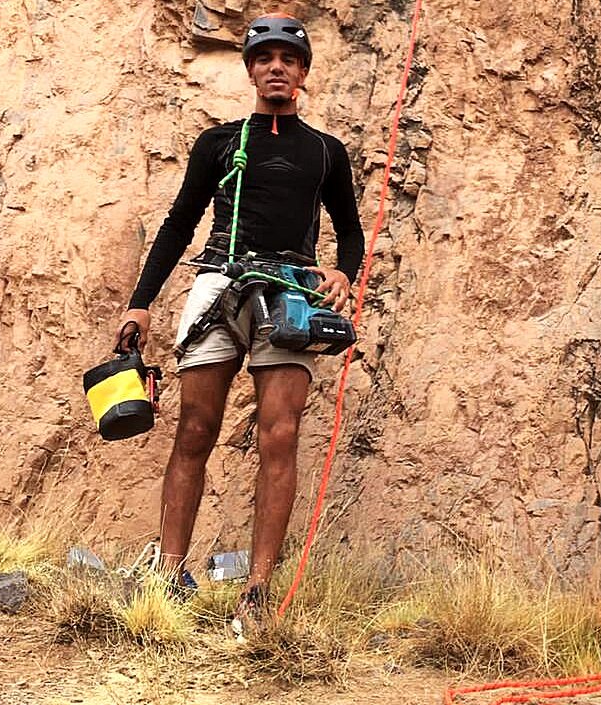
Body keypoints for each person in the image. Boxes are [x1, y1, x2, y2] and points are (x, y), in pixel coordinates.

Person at [114, 13, 365, 632]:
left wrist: (343, 273)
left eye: (288, 58)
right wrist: (141, 301)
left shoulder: (326, 152)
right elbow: (178, 222)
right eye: (264, 57)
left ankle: (258, 590)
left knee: (279, 436)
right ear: (250, 69)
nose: (276, 67)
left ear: (302, 73)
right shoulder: (219, 142)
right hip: (217, 286)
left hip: (290, 293)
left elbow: (352, 229)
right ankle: (168, 576)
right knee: (195, 429)